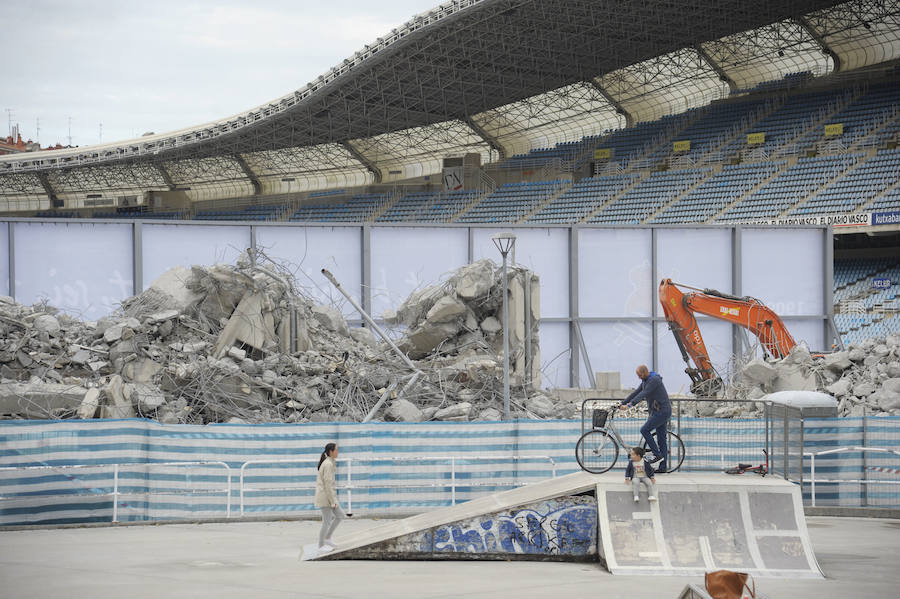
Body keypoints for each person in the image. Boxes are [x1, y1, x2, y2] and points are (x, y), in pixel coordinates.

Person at [619, 364, 672, 472]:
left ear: (644, 373)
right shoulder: (646, 380)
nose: (638, 377)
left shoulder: (654, 380)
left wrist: (629, 405)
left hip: (662, 412)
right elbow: (636, 393)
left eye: (639, 375)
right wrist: (621, 403)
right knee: (661, 440)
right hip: (658, 412)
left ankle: (657, 455)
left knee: (644, 430)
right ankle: (663, 467)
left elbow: (644, 393)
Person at [314, 442, 345, 553]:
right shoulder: (328, 464)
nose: (338, 452)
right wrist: (333, 501)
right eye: (336, 450)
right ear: (331, 451)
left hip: (329, 496)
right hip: (325, 497)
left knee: (340, 515)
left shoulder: (330, 462)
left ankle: (327, 538)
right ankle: (321, 545)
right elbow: (328, 484)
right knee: (326, 521)